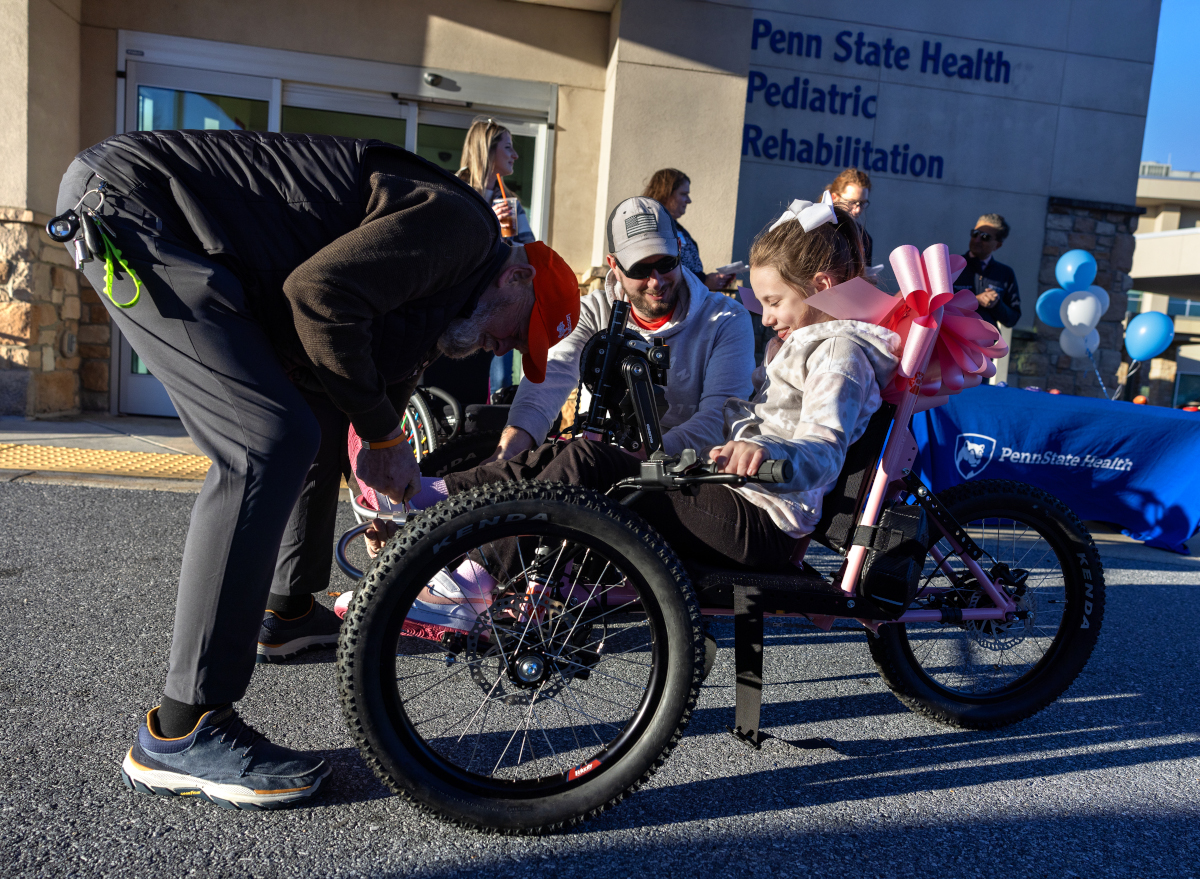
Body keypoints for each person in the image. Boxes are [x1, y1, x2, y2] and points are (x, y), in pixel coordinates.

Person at [55, 129, 579, 810]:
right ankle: (181, 729)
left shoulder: (448, 286)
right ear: (516, 277)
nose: (504, 347)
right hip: (134, 207)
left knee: (314, 415)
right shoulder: (463, 229)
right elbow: (317, 296)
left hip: (179, 228)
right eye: (520, 331)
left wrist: (397, 464)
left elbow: (369, 374)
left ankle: (286, 611)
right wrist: (386, 432)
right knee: (265, 440)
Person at [379, 198, 901, 622]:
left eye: (774, 302)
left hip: (763, 523)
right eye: (762, 302)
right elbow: (552, 374)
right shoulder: (809, 342)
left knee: (592, 464)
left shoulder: (840, 353)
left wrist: (757, 448)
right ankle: (442, 498)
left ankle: (477, 573)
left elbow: (824, 452)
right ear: (615, 268)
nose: (765, 317)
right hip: (734, 496)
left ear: (823, 289)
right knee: (573, 453)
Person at [486, 195, 756, 465]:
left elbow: (721, 416)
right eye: (639, 269)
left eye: (666, 263)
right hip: (596, 461)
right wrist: (507, 453)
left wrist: (642, 456)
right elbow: (548, 380)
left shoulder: (726, 319)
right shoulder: (591, 312)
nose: (656, 281)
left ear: (678, 249)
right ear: (614, 265)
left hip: (682, 471)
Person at [458, 118, 537, 396]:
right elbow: (450, 244)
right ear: (488, 149)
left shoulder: (511, 201)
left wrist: (509, 240)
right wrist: (489, 221)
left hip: (498, 301)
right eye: (508, 147)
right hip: (460, 305)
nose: (515, 155)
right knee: (460, 379)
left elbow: (531, 251)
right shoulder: (456, 190)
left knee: (501, 372)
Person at [644, 168, 735, 292]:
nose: (689, 200)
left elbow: (687, 269)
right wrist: (704, 281)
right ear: (665, 194)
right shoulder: (651, 227)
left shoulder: (676, 227)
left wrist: (713, 280)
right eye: (683, 194)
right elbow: (660, 270)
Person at [957, 213, 1021, 328]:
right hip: (952, 340)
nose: (977, 240)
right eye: (975, 233)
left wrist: (997, 305)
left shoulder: (1005, 273)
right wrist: (974, 300)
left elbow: (1013, 319)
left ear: (998, 245)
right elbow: (938, 306)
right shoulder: (953, 265)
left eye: (985, 237)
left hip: (986, 344)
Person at [825, 167, 873, 264]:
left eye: (862, 203)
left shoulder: (864, 238)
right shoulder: (819, 228)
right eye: (852, 202)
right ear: (834, 197)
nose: (858, 209)